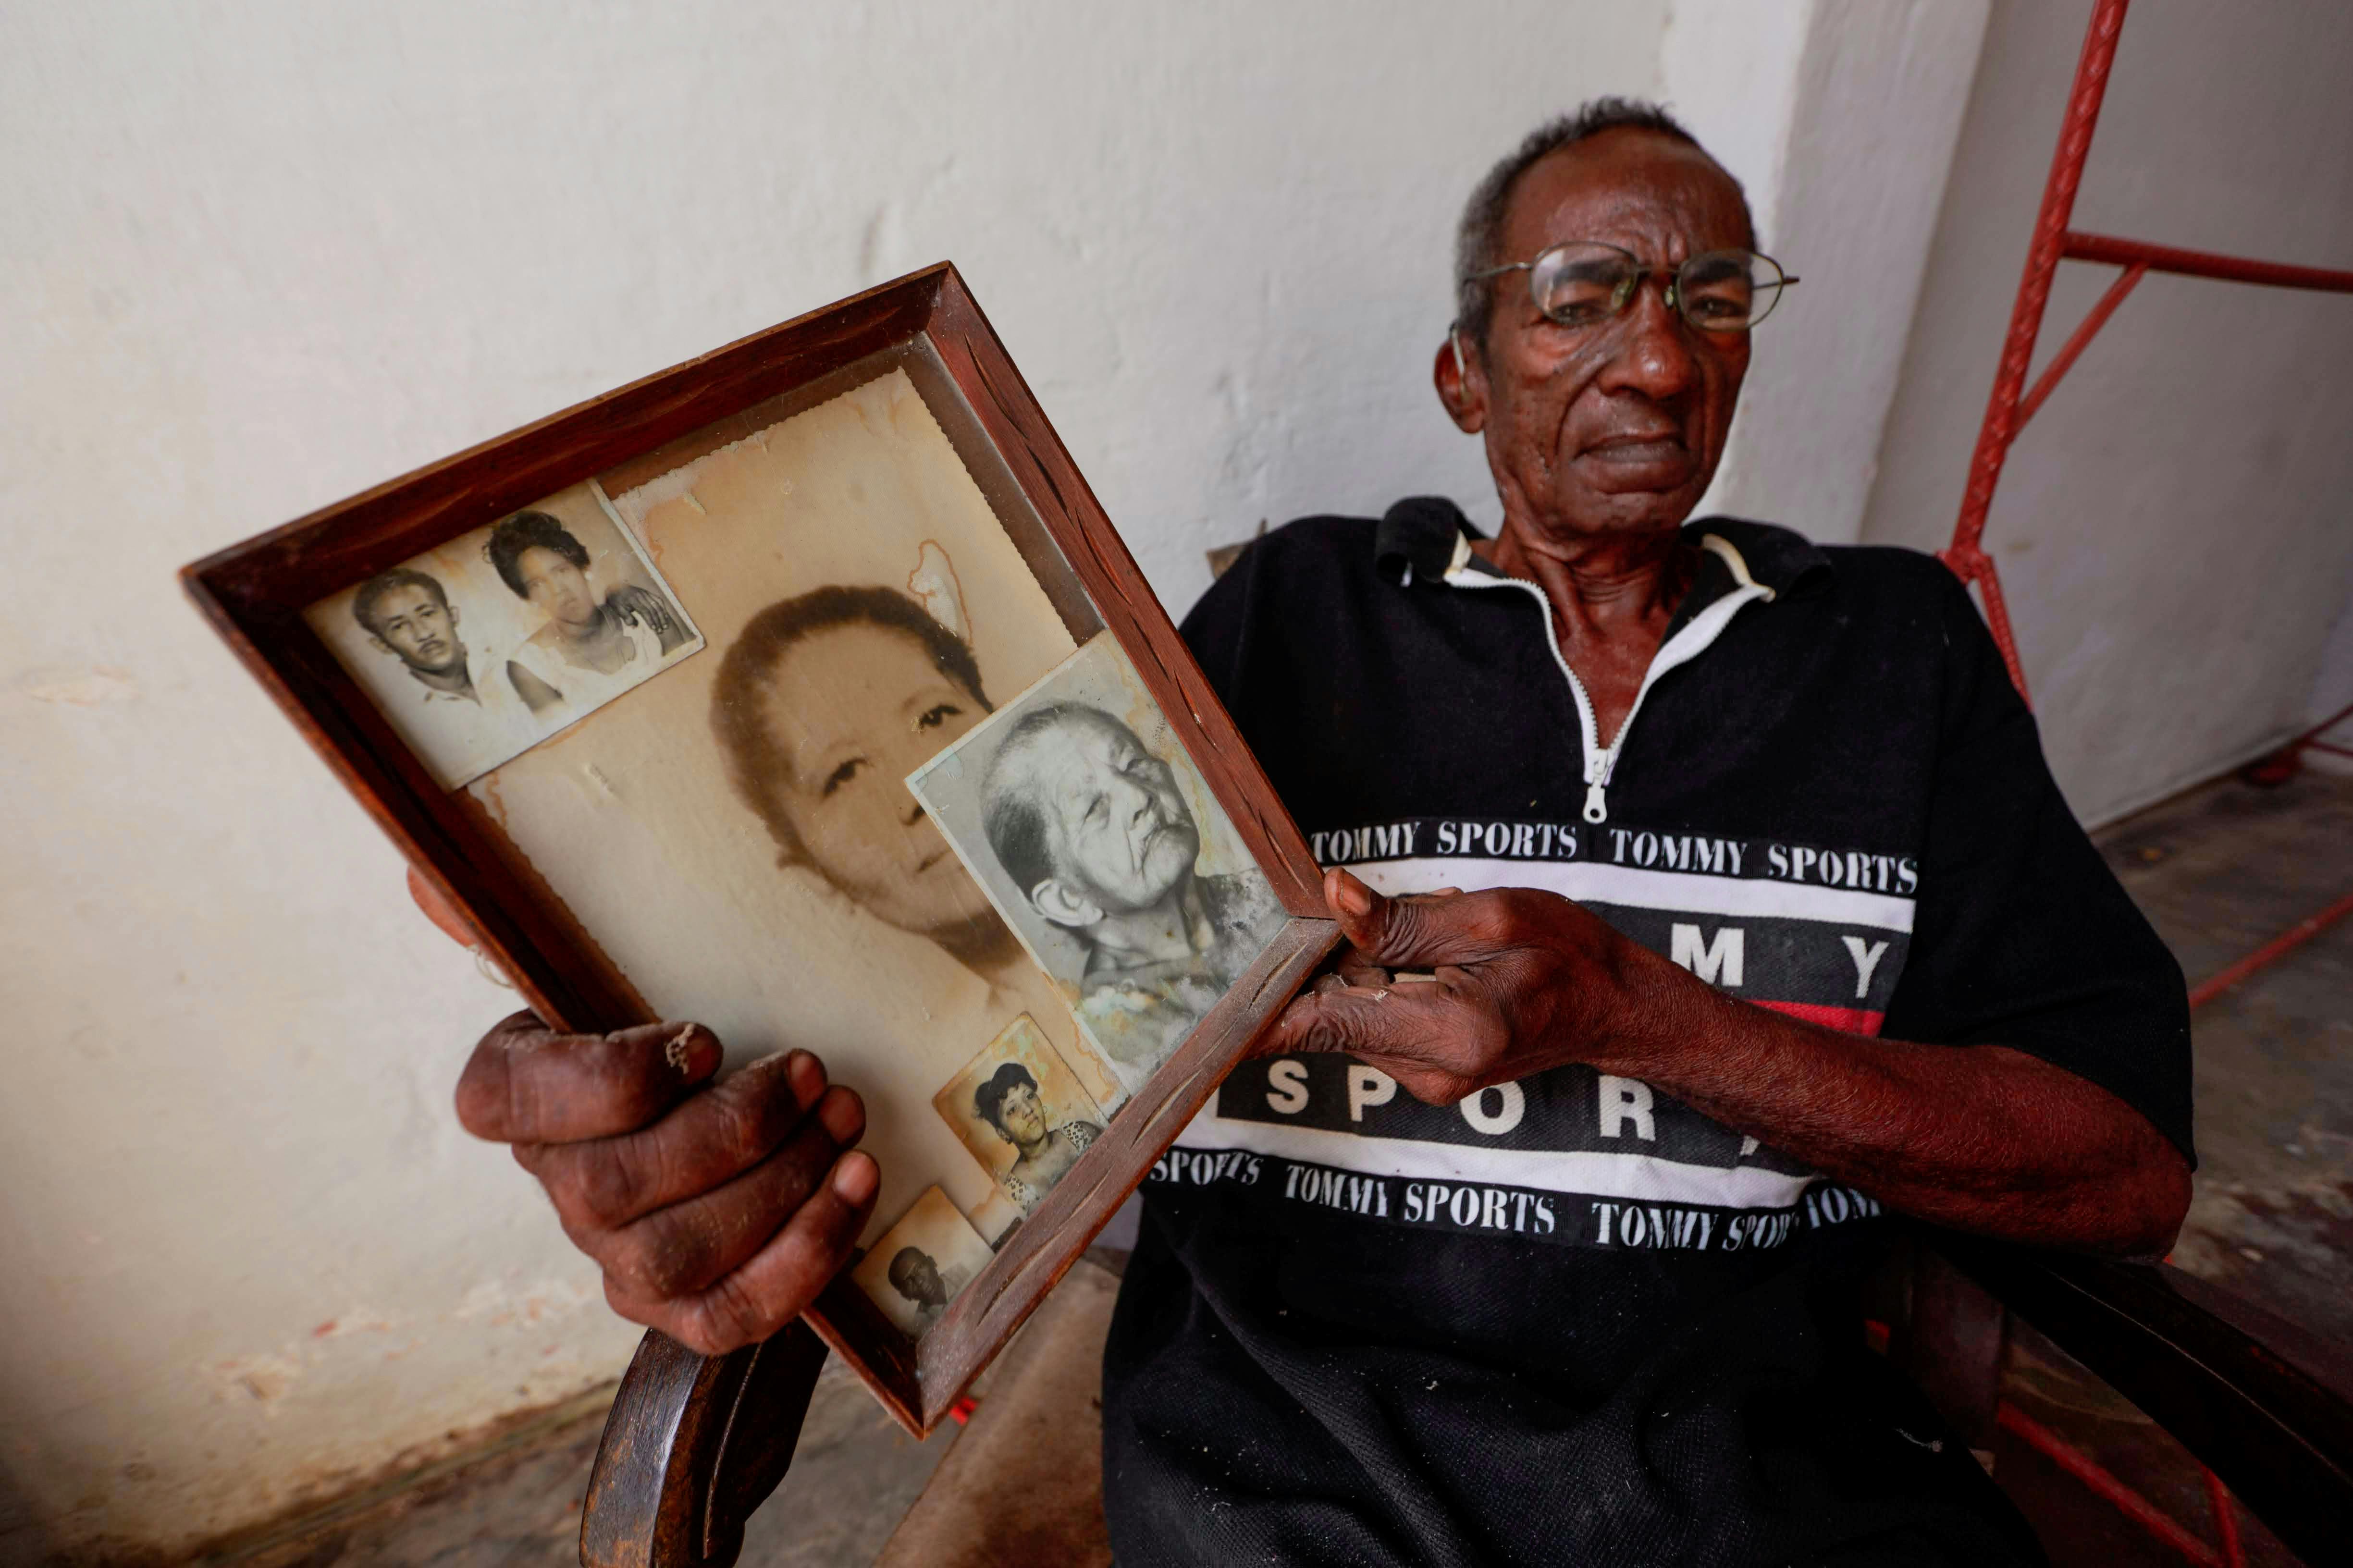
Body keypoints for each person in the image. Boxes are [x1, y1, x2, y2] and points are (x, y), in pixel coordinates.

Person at [441, 98, 2192, 1567]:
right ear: (1461, 373)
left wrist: (1647, 1013)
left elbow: (2117, 1165)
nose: (1659, 358)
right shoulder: (1292, 620)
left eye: (1712, 297)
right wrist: (650, 1018)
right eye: (1583, 297)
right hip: (1287, 1504)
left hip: (1772, 1505)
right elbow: (970, 981)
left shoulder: (1887, 645)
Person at [707, 585, 1126, 1106]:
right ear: (815, 879)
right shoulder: (984, 1097)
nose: (921, 786)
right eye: (845, 774)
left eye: (933, 717)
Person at [980, 702, 1284, 1073]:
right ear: (1067, 900)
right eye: (1093, 808)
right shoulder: (1119, 1037)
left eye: (1133, 764)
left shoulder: (1269, 896)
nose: (1139, 797)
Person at [483, 510, 691, 715]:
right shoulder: (530, 666)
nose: (558, 589)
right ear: (529, 597)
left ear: (583, 568)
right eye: (538, 584)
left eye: (561, 571)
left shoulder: (642, 611)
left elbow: (692, 684)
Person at [972, 1060, 1104, 1213]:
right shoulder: (1016, 1192)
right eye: (1012, 1109)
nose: (1028, 1110)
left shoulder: (1082, 1132)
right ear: (1003, 1133)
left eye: (1029, 1096)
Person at [885, 1245, 955, 1329]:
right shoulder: (920, 1328)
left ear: (932, 1262)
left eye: (919, 1268)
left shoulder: (968, 1268)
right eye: (908, 1282)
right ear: (906, 1296)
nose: (919, 1282)